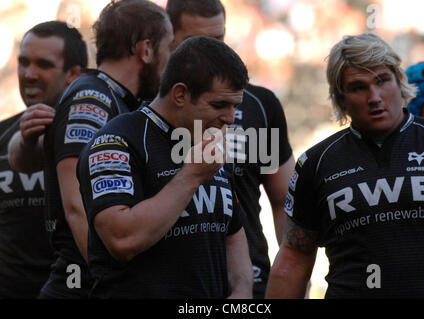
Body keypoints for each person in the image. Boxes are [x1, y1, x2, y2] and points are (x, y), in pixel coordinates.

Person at [9, 0, 173, 298]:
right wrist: (118, 283)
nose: (170, 60)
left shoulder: (121, 99)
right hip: (78, 288)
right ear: (146, 49)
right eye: (169, 48)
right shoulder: (92, 99)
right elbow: (77, 206)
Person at [266, 32, 424, 298]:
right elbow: (294, 257)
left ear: (399, 82)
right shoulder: (316, 163)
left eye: (382, 81)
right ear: (340, 98)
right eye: (358, 87)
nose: (374, 97)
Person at [76, 35, 253, 298]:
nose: (229, 118)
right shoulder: (117, 141)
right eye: (219, 105)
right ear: (180, 94)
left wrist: (242, 290)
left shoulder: (207, 140)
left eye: (234, 106)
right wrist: (191, 175)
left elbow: (232, 232)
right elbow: (122, 240)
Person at [166, 0, 294, 298]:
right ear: (169, 38)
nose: (212, 55)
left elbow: (284, 199)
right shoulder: (149, 110)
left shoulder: (259, 107)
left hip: (252, 282)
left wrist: (290, 273)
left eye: (219, 40)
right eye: (198, 44)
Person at [0, 21, 87, 298]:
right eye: (24, 62)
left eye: (44, 65)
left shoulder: (98, 138)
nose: (29, 74)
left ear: (74, 74)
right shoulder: (3, 136)